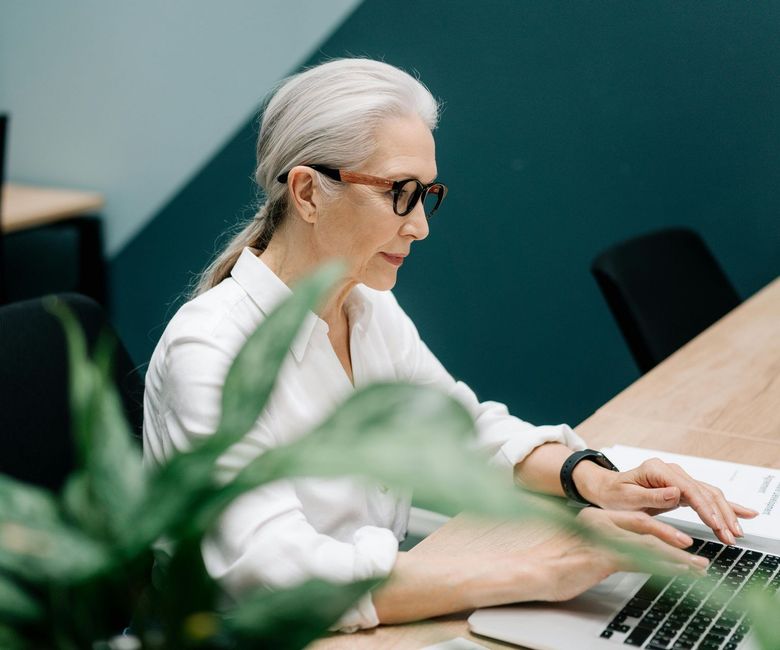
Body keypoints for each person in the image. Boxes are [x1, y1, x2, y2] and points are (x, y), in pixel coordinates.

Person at [142, 58, 757, 632]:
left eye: (428, 194)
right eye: (399, 193)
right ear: (306, 192)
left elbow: (461, 430)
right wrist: (538, 569)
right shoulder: (213, 352)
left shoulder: (366, 305)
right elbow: (275, 579)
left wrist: (591, 477)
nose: (420, 225)